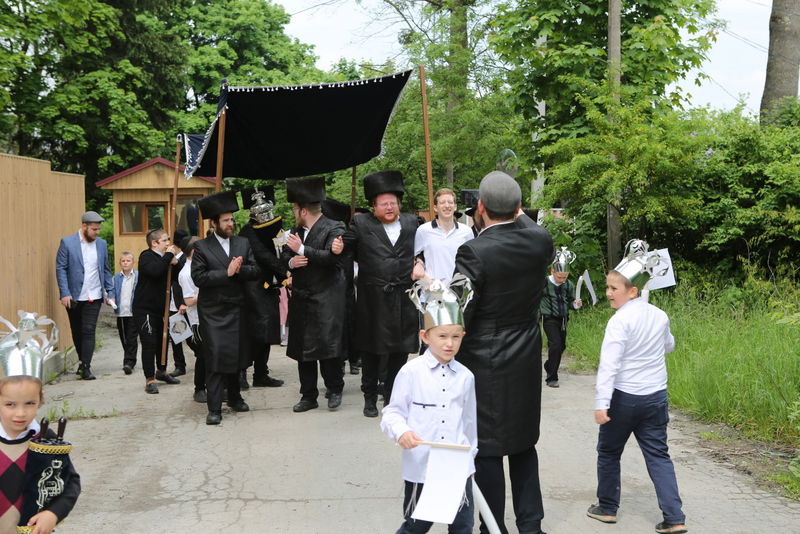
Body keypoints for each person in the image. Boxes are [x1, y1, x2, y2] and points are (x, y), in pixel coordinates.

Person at [453, 171, 554, 534]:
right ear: (519, 207)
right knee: (524, 443)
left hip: (484, 359)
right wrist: (517, 210)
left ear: (479, 208)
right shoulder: (541, 240)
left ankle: (492, 527)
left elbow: (459, 312)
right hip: (526, 353)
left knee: (490, 449)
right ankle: (532, 525)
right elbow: (527, 224)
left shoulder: (472, 251)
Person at [587, 267, 687, 534]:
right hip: (655, 397)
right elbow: (670, 346)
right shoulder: (659, 315)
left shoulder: (619, 321)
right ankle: (674, 517)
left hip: (624, 398)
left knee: (608, 452)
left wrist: (601, 402)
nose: (608, 293)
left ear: (633, 291)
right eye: (607, 287)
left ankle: (607, 508)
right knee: (658, 455)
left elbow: (609, 365)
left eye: (613, 289)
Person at [380, 277, 477, 534]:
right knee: (415, 527)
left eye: (456, 337)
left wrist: (471, 464)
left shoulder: (466, 376)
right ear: (425, 336)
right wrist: (402, 432)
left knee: (462, 528)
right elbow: (392, 413)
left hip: (457, 468)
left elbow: (469, 424)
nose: (449, 343)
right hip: (422, 467)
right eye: (442, 336)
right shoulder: (411, 372)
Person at [339, 170, 420, 418]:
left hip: (403, 298)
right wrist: (337, 246)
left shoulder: (411, 223)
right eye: (383, 204)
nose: (389, 207)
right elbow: (344, 249)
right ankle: (369, 397)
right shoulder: (361, 224)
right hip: (372, 300)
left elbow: (424, 249)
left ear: (399, 204)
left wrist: (420, 261)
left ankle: (393, 398)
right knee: (372, 350)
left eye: (393, 203)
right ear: (373, 206)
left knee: (400, 351)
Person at [192, 191, 260, 425]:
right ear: (214, 223)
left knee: (237, 355)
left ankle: (235, 397)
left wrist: (240, 270)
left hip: (238, 309)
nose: (231, 224)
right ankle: (214, 408)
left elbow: (255, 271)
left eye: (232, 219)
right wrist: (226, 273)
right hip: (213, 312)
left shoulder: (242, 242)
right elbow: (199, 278)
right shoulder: (202, 247)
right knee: (216, 357)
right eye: (226, 220)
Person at [281, 177, 346, 412]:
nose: (293, 212)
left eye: (295, 209)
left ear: (303, 210)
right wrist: (291, 260)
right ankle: (308, 395)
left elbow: (332, 259)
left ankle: (335, 389)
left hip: (327, 297)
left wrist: (302, 249)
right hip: (301, 296)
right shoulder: (294, 231)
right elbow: (282, 260)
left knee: (328, 348)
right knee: (303, 350)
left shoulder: (335, 227)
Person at [0, 375, 81, 534]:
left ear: (40, 400)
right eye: (10, 404)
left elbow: (70, 482)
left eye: (29, 403)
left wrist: (53, 513)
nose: (21, 413)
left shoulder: (47, 441)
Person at [55, 210, 115, 380]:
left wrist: (109, 292)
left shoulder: (101, 244)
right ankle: (82, 361)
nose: (97, 232)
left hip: (94, 294)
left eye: (98, 229)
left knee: (89, 330)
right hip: (74, 296)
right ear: (84, 226)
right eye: (94, 229)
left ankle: (86, 367)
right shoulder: (67, 243)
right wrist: (64, 293)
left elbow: (106, 269)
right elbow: (61, 268)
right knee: (77, 330)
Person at [238, 186, 286, 389]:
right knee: (252, 334)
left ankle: (261, 373)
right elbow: (263, 255)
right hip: (252, 289)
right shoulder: (248, 231)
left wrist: (288, 266)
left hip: (270, 287)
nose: (266, 216)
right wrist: (287, 273)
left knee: (267, 333)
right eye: (261, 213)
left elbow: (282, 249)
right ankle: (242, 373)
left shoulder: (275, 228)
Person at [133, 229, 182, 394]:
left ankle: (161, 371)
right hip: (145, 308)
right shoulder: (146, 256)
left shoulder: (166, 259)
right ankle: (150, 378)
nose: (168, 243)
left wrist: (176, 262)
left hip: (162, 308)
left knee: (163, 341)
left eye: (168, 240)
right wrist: (169, 257)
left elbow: (177, 276)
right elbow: (155, 271)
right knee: (149, 343)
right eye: (165, 240)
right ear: (154, 243)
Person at [321, 197, 360, 376]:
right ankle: (341, 363)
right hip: (331, 290)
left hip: (347, 289)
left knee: (351, 326)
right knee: (338, 330)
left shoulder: (348, 238)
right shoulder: (325, 238)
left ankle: (353, 358)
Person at [540, 247, 583, 388]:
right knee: (555, 345)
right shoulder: (544, 283)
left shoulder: (568, 285)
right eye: (559, 277)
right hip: (549, 318)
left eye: (565, 277)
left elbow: (570, 301)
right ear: (552, 271)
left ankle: (549, 365)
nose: (562, 280)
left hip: (564, 319)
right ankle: (552, 378)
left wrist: (575, 304)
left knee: (561, 346)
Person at [412, 188, 474, 285]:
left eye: (450, 202)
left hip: (457, 293)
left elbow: (471, 262)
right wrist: (424, 278)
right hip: (431, 293)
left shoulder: (466, 232)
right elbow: (416, 259)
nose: (447, 205)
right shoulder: (423, 231)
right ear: (435, 208)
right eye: (442, 202)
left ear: (455, 207)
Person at [177, 236, 206, 404]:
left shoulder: (199, 267)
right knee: (202, 355)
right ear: (195, 252)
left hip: (209, 317)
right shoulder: (186, 273)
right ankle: (199, 388)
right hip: (197, 320)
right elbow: (188, 301)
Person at [111, 251, 138, 375]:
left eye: (128, 260)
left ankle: (129, 362)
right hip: (121, 313)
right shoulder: (116, 278)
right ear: (120, 263)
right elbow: (111, 291)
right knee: (124, 338)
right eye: (123, 261)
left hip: (133, 313)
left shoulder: (138, 276)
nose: (125, 263)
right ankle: (128, 359)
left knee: (132, 338)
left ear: (133, 262)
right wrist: (110, 298)